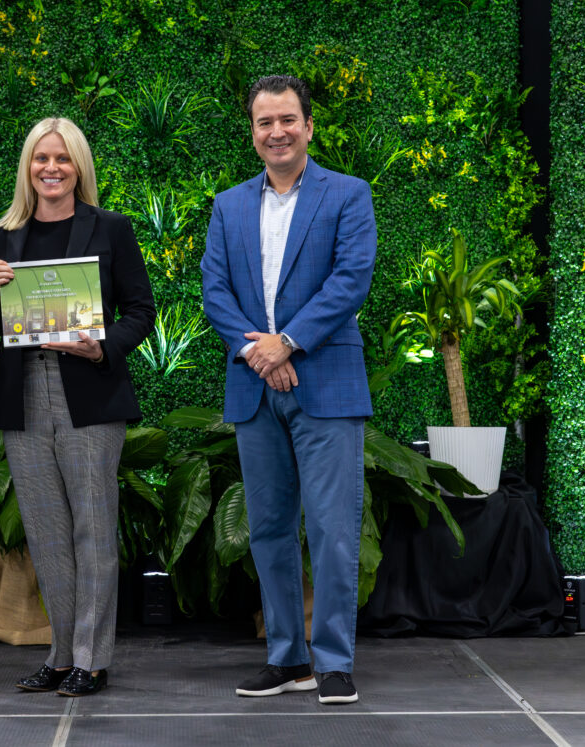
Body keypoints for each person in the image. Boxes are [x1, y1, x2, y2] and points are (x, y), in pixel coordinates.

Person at [200, 75, 377, 705]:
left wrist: (289, 342)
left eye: (286, 120)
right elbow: (215, 292)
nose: (275, 132)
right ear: (252, 131)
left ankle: (332, 661)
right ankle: (286, 657)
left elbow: (351, 279)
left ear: (308, 126)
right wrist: (258, 351)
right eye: (263, 122)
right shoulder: (228, 205)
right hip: (254, 385)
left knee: (332, 529)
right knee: (269, 529)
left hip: (325, 382)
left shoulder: (348, 195)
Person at [0, 117, 155, 697]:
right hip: (22, 398)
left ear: (79, 166)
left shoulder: (111, 228)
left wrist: (104, 346)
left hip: (90, 395)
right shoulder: (3, 235)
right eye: (39, 159)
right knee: (48, 534)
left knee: (94, 532)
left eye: (63, 159)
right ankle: (59, 654)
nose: (50, 168)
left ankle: (92, 660)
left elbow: (141, 311)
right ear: (27, 167)